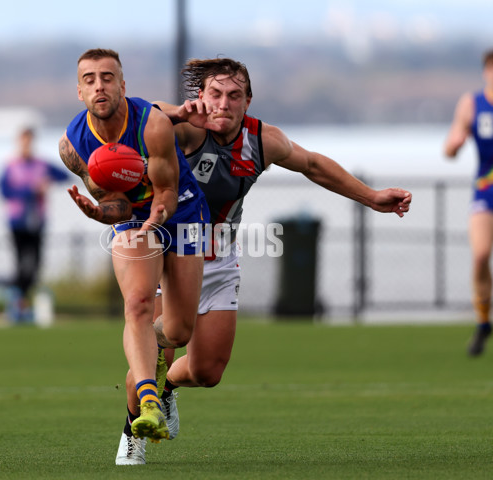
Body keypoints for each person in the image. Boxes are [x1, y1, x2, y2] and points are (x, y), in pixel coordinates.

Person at [116, 57, 413, 465]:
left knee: (208, 372)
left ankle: (164, 387)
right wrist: (175, 111)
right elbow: (138, 113)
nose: (224, 103)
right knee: (160, 343)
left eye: (234, 96)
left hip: (219, 256)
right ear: (200, 98)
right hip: (172, 253)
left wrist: (373, 197)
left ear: (248, 101)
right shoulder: (180, 130)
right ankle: (133, 431)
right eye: (215, 94)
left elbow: (312, 165)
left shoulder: (262, 140)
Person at [57, 49, 209, 461]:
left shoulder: (153, 125)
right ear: (79, 91)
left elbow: (166, 194)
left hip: (182, 212)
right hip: (132, 221)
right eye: (89, 79)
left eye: (107, 78)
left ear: (123, 86)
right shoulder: (74, 146)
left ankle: (161, 382)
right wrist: (98, 212)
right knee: (138, 304)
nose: (99, 86)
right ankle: (146, 403)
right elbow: (118, 206)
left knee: (178, 333)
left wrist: (159, 212)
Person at [444, 49, 493, 356]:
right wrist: (456, 144)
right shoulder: (472, 104)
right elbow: (448, 149)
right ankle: (482, 322)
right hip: (485, 190)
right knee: (480, 256)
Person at [0, 127, 68, 323]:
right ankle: (16, 304)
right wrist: (30, 191)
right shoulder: (11, 166)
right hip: (18, 220)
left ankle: (20, 302)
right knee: (21, 264)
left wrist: (47, 181)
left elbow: (64, 175)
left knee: (35, 264)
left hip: (37, 219)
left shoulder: (41, 164)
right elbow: (4, 192)